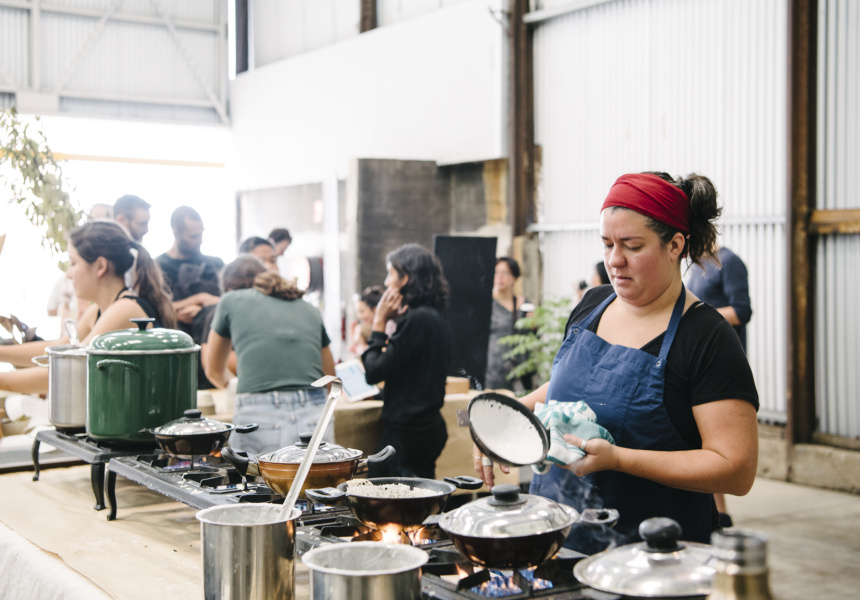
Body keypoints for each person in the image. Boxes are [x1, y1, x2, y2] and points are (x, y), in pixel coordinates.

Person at [474, 172, 759, 553]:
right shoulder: (592, 305)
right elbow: (573, 382)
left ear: (675, 245)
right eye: (607, 244)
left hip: (651, 557)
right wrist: (507, 416)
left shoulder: (707, 337)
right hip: (556, 536)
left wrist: (620, 460)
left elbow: (736, 470)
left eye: (632, 246)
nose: (614, 260)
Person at [0, 221, 176, 394]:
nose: (68, 274)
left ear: (100, 266)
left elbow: (69, 370)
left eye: (73, 263)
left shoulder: (125, 310)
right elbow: (60, 347)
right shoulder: (99, 310)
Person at [203, 256, 336, 456]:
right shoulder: (309, 308)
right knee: (319, 477)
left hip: (259, 413)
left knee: (257, 477)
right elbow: (330, 378)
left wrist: (233, 386)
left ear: (229, 289)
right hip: (315, 413)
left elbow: (213, 370)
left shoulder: (230, 300)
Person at [362, 244, 452, 479]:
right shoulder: (433, 314)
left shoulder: (418, 319)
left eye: (390, 274)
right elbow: (413, 373)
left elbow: (373, 371)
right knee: (422, 494)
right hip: (426, 428)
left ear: (406, 278)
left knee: (385, 495)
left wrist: (379, 322)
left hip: (407, 434)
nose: (386, 282)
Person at [687, 244, 752, 527]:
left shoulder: (729, 262)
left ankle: (721, 516)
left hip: (720, 363)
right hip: (698, 361)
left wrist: (697, 317)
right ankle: (719, 514)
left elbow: (741, 311)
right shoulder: (697, 265)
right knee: (701, 440)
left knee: (716, 444)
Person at [485, 257, 529, 392]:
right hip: (492, 370)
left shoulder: (524, 305)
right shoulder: (488, 303)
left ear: (514, 277)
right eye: (496, 272)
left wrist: (533, 325)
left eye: (504, 273)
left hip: (518, 371)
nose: (499, 277)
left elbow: (532, 338)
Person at [348, 285, 383, 356]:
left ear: (374, 310)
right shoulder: (361, 328)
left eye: (362, 311)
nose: (359, 316)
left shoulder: (387, 329)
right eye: (357, 312)